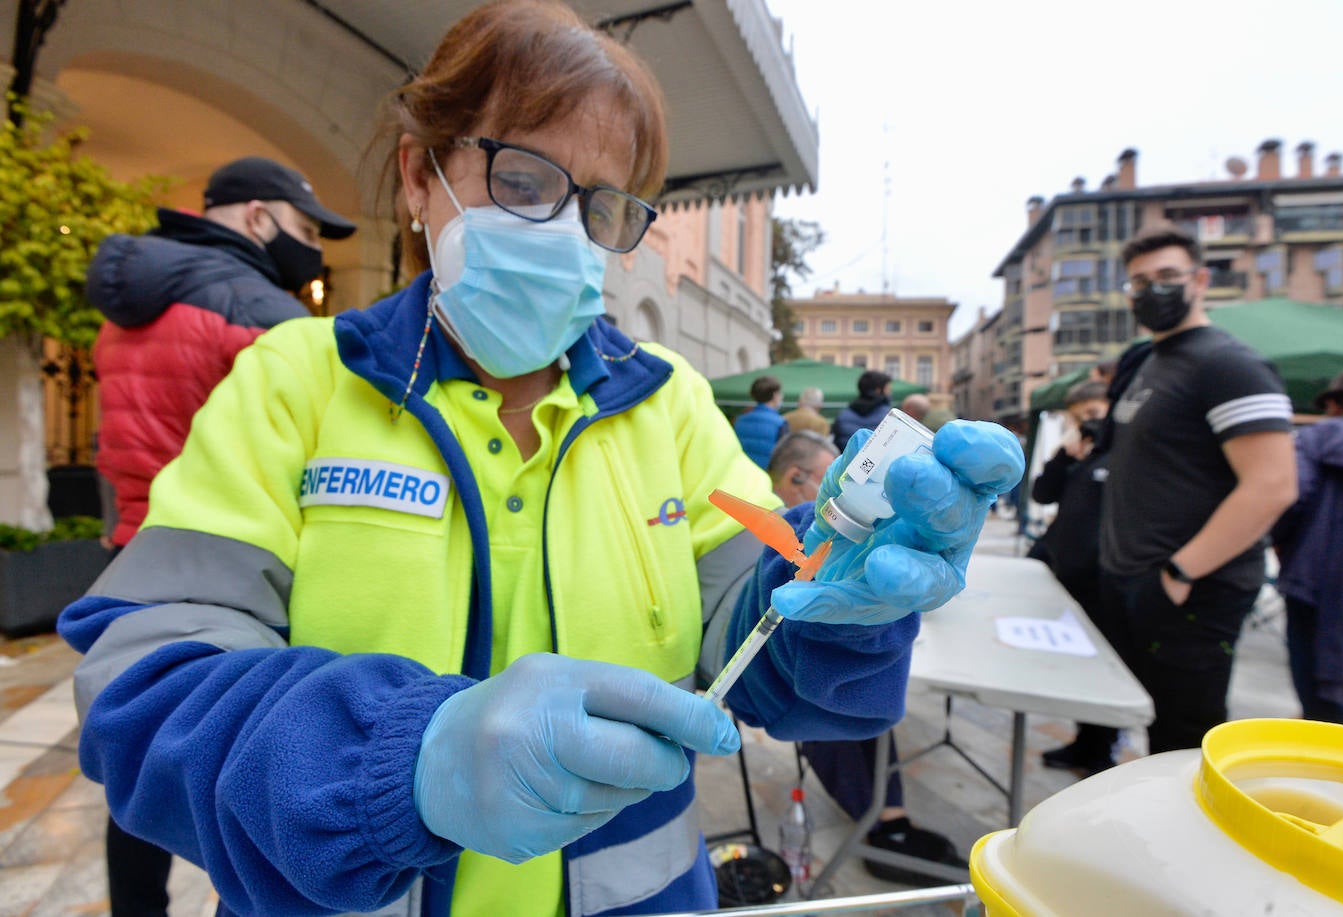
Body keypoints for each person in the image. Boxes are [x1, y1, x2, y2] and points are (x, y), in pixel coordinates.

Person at [57, 4, 1025, 916]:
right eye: (521, 180)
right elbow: (147, 687)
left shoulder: (673, 404)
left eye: (604, 208)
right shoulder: (298, 383)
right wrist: (404, 760)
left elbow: (755, 622)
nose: (562, 233)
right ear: (417, 174)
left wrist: (844, 592)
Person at [87, 155, 355, 916]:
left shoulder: (130, 306)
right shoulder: (255, 310)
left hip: (132, 548)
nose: (312, 248)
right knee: (237, 753)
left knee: (143, 746)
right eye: (304, 229)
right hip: (225, 556)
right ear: (257, 218)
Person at [1100, 223, 1297, 754]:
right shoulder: (1153, 363)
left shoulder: (1227, 364)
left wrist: (1180, 572)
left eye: (1166, 276)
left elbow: (1273, 484)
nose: (1151, 291)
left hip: (1190, 590)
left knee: (1183, 744)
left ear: (1200, 279)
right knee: (1148, 727)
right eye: (1139, 282)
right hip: (1137, 581)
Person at [767, 431, 968, 885]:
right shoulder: (786, 521)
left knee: (864, 686)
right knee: (843, 691)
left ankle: (885, 816)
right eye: (828, 478)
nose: (842, 493)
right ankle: (883, 824)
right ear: (796, 478)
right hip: (788, 674)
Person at [1271, 369, 1343, 727]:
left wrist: (1284, 546)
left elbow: (1288, 498)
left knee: (1322, 682)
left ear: (1334, 404)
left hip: (1321, 580)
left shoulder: (1321, 437)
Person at [1030, 381, 1117, 774]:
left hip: (1104, 577)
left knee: (1105, 669)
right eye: (1078, 416)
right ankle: (1085, 743)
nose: (1086, 423)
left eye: (1093, 414)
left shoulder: (1125, 454)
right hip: (1068, 572)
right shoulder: (1077, 455)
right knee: (1078, 667)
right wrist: (1065, 456)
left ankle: (1101, 751)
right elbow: (1043, 494)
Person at [734, 374, 788, 467]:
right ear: (775, 395)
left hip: (743, 473)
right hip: (766, 476)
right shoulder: (780, 423)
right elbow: (784, 457)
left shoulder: (740, 420)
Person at [834, 370, 892, 451]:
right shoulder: (889, 416)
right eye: (888, 389)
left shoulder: (843, 415)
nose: (890, 392)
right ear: (878, 390)